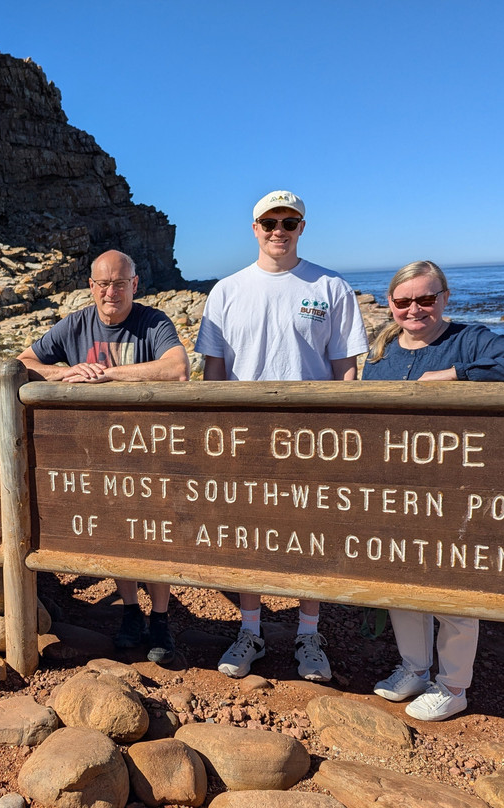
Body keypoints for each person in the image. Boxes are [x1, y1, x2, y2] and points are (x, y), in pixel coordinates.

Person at [364, 259, 504, 720]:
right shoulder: (379, 354)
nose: (415, 309)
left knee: (454, 585)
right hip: (398, 490)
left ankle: (452, 685)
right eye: (404, 301)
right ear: (390, 304)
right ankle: (413, 667)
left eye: (426, 299)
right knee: (403, 581)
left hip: (455, 493)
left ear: (444, 298)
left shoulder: (469, 339)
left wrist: (454, 376)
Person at [195, 190, 369, 681]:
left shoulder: (330, 286)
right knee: (247, 534)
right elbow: (213, 372)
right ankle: (250, 630)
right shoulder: (227, 290)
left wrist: (341, 435)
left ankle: (308, 634)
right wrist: (217, 436)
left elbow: (346, 371)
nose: (278, 230)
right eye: (269, 222)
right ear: (254, 228)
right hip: (245, 438)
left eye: (288, 222)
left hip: (313, 437)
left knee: (311, 536)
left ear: (301, 228)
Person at [18, 249, 189, 663]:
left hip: (149, 453)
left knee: (154, 535)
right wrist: (68, 372)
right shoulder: (75, 323)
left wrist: (106, 374)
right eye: (102, 283)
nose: (110, 292)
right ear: (91, 287)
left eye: (118, 283)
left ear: (134, 285)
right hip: (99, 456)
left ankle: (161, 622)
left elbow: (177, 368)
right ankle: (131, 614)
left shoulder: (152, 322)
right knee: (117, 533)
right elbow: (22, 363)